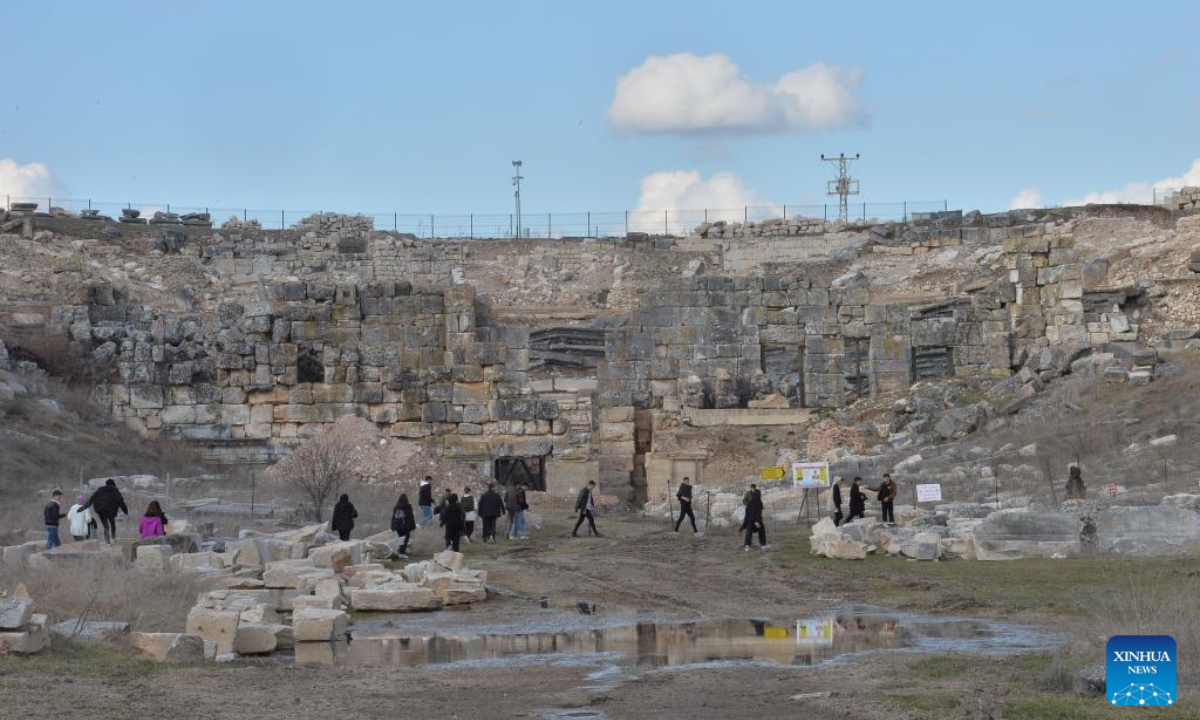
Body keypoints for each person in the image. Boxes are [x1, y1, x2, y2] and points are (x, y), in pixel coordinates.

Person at [82, 478, 130, 544]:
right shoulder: (115, 491)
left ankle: (107, 541)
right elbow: (121, 501)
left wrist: (82, 508)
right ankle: (113, 538)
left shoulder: (99, 490)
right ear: (113, 484)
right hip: (111, 511)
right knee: (112, 524)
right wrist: (125, 511)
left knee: (106, 526)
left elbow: (91, 500)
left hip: (101, 510)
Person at [390, 493, 416, 558]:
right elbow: (410, 517)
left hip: (398, 526)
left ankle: (400, 550)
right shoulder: (407, 507)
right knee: (406, 539)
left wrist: (393, 526)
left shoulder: (396, 507)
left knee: (400, 538)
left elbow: (393, 517)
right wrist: (413, 526)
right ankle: (402, 551)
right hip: (406, 526)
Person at [743, 486, 768, 551]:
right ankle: (763, 545)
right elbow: (756, 512)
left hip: (749, 519)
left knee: (749, 531)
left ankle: (747, 546)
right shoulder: (758, 503)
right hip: (754, 519)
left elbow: (748, 513)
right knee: (761, 530)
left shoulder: (750, 502)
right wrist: (756, 521)